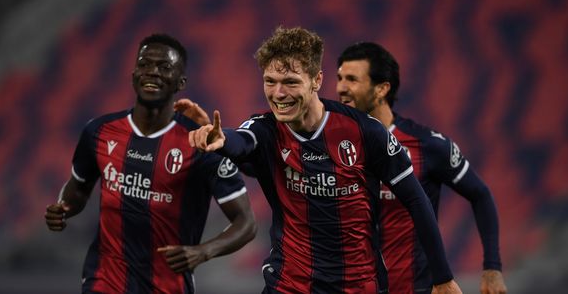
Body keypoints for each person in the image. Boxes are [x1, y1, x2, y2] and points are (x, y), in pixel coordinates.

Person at [189, 27, 462, 294]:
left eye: (291, 82)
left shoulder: (364, 131)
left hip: (359, 284)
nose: (278, 93)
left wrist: (443, 278)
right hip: (289, 284)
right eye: (270, 81)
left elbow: (416, 200)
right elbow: (243, 140)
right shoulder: (266, 129)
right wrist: (222, 139)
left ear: (317, 80)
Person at [45, 33, 256, 293]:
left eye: (164, 67)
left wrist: (203, 251)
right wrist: (63, 207)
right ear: (134, 74)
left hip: (168, 285)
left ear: (181, 82)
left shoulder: (201, 143)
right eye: (144, 64)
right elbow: (78, 188)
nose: (152, 72)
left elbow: (246, 223)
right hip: (105, 278)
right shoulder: (99, 131)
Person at [336, 42, 507, 294]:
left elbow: (480, 194)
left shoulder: (427, 145)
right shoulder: (330, 143)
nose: (340, 88)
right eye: (339, 78)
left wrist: (492, 268)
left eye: (352, 79)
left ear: (382, 88)